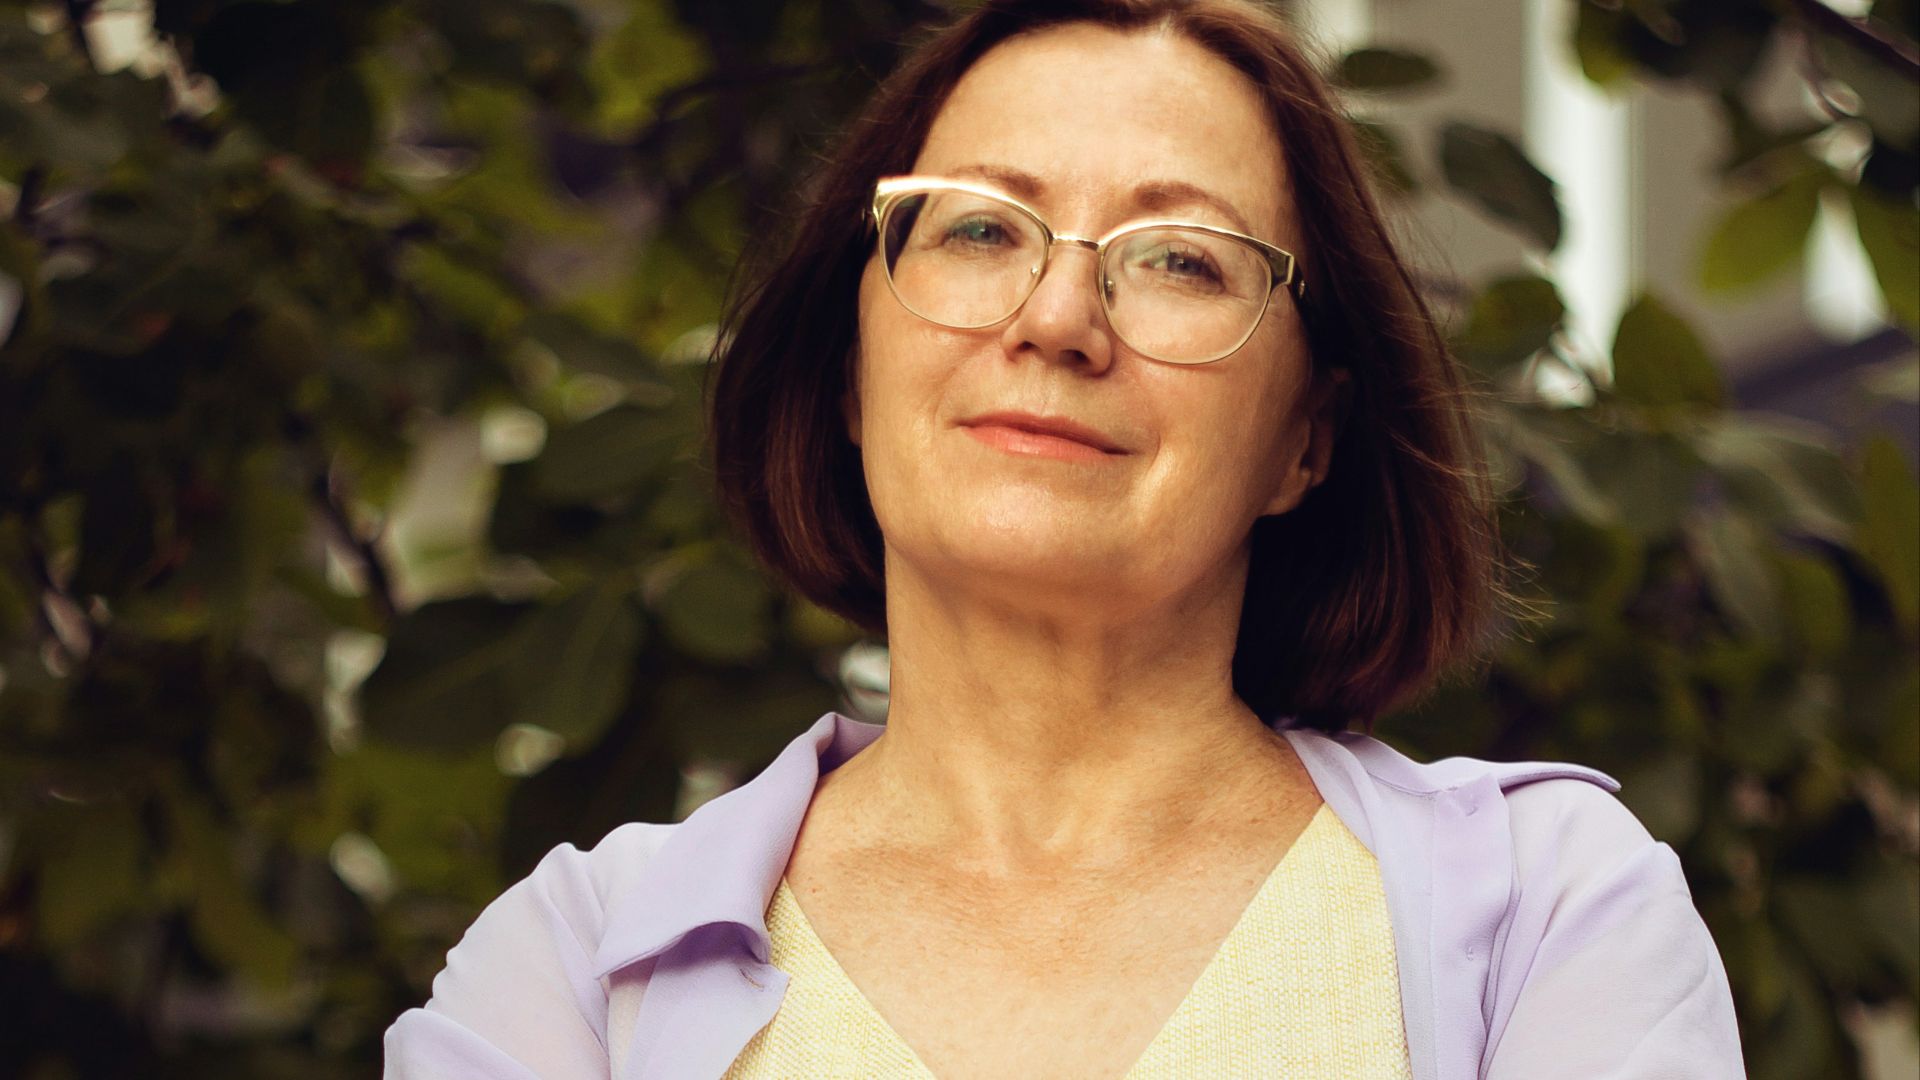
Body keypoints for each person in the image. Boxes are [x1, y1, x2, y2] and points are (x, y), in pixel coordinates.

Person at [384, 1, 1747, 1077]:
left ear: (1306, 441)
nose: (1056, 319)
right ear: (850, 368)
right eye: (979, 227)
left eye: (1178, 259)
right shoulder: (576, 970)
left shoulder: (1554, 914)